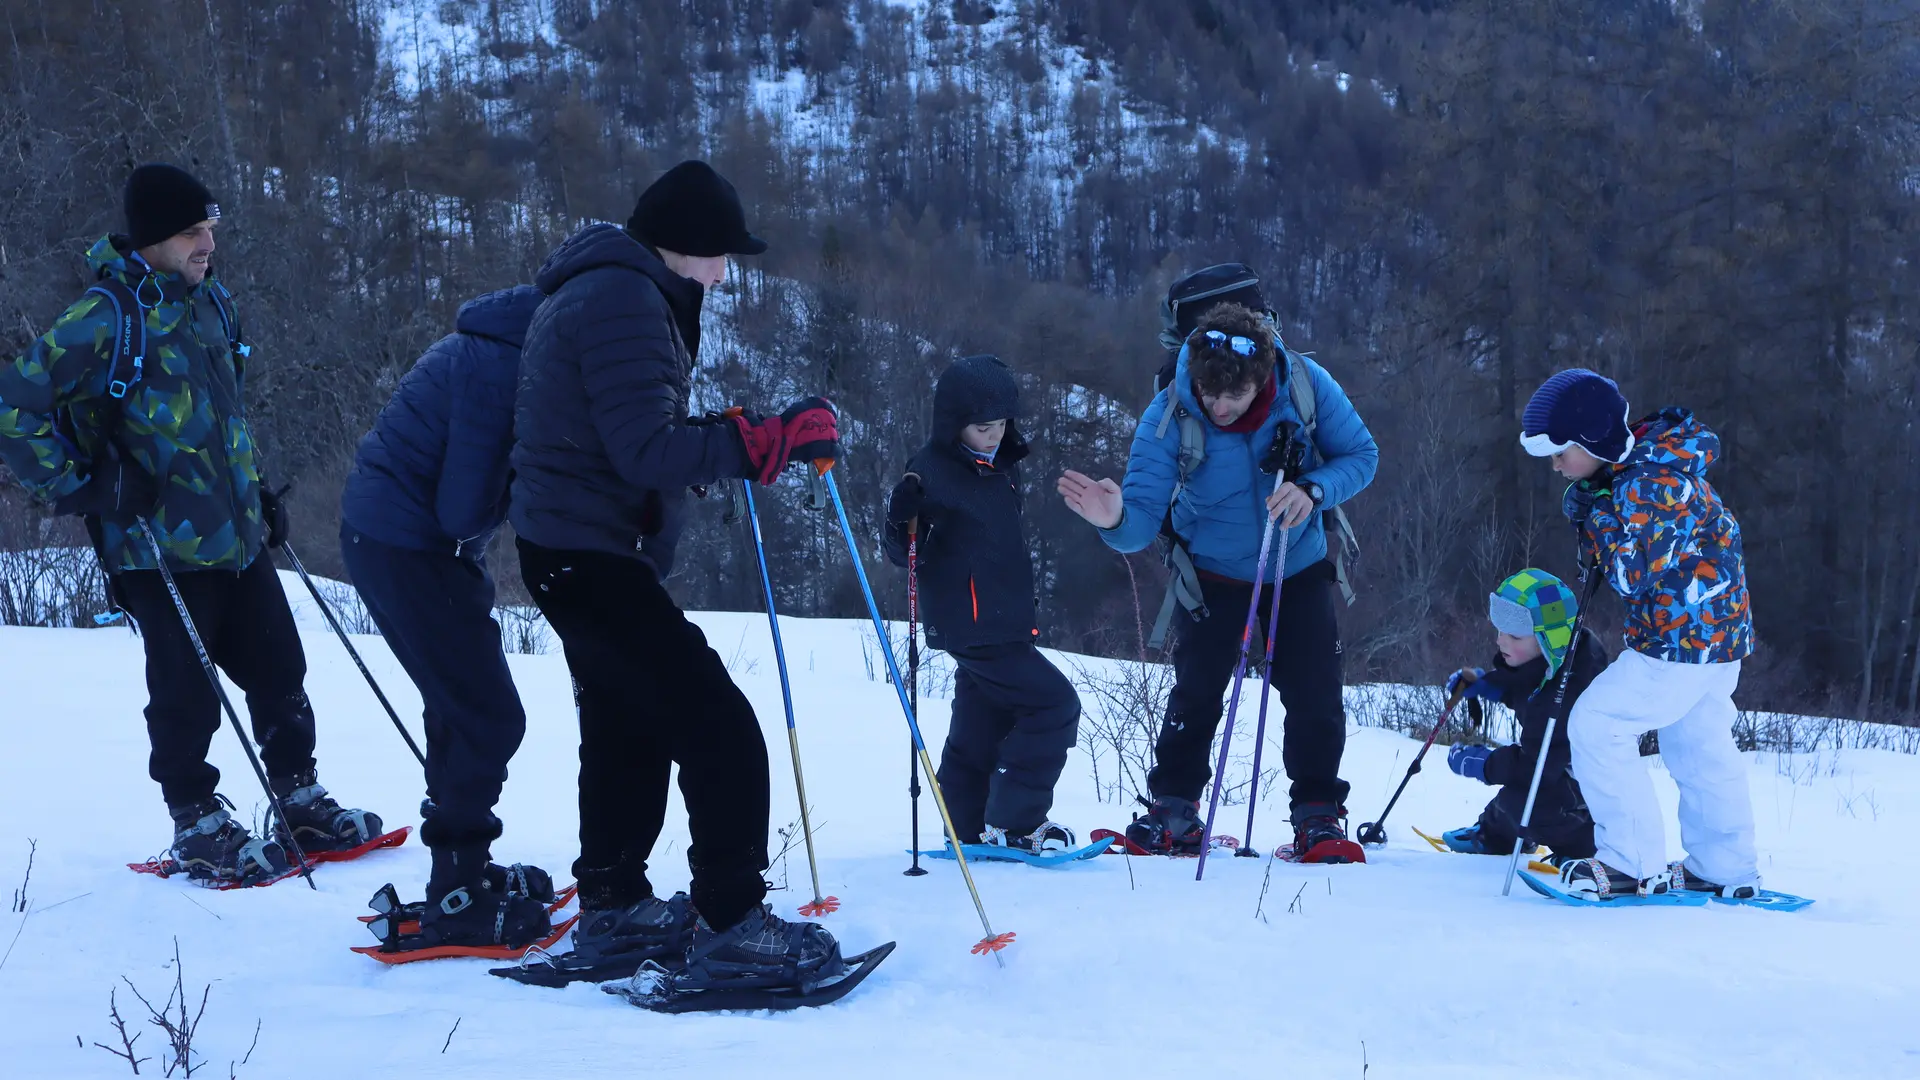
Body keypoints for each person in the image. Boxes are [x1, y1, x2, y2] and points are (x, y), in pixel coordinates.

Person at [510, 160, 844, 984]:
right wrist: (756, 442)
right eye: (718, 255)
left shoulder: (604, 289)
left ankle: (616, 909)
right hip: (585, 554)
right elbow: (645, 450)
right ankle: (733, 922)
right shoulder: (624, 298)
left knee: (627, 727)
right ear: (680, 247)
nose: (725, 273)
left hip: (567, 549)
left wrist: (719, 438)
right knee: (717, 723)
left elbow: (626, 434)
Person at [0, 164, 381, 883]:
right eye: (191, 232)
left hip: (232, 535)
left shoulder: (213, 304)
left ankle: (298, 797)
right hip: (155, 544)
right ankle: (196, 819)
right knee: (185, 687)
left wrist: (254, 490)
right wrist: (85, 486)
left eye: (210, 228)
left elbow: (221, 416)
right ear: (151, 240)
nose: (208, 243)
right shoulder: (105, 317)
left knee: (280, 668)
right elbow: (13, 409)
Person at [1058, 285, 1379, 862]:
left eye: (1234, 394)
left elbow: (1362, 456)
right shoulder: (1170, 412)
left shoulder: (1305, 385)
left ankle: (1318, 815)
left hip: (1297, 566)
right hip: (1209, 572)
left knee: (1314, 694)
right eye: (1209, 392)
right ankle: (1174, 810)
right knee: (1197, 692)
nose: (1218, 406)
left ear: (1263, 374)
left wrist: (1315, 488)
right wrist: (1113, 520)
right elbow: (1141, 522)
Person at [340, 285, 554, 946]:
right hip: (406, 544)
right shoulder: (502, 369)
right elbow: (463, 508)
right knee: (485, 713)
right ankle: (456, 890)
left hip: (402, 540)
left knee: (460, 703)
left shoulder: (502, 347)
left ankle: (463, 868)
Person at [1520, 368, 1758, 901]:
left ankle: (1629, 861)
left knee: (1598, 724)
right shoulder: (1653, 469)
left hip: (1679, 642)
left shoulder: (1647, 483)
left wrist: (1595, 515)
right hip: (1714, 637)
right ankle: (1724, 864)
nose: (1556, 466)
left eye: (1561, 452)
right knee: (1697, 743)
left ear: (1594, 440)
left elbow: (1631, 573)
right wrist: (1598, 506)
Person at [881, 355, 1081, 853]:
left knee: (982, 717)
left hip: (1005, 619)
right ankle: (1016, 821)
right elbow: (904, 552)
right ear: (954, 425)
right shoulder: (929, 472)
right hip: (972, 623)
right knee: (1055, 705)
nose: (993, 435)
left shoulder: (1002, 467)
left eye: (1001, 425)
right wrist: (898, 517)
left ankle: (967, 824)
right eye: (982, 427)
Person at [1438, 569, 1602, 862]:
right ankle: (1495, 834)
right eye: (1500, 631)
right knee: (1523, 794)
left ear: (1548, 639)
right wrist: (1490, 685)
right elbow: (1531, 681)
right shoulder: (1566, 653)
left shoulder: (1567, 696)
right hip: (1566, 775)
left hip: (1593, 794)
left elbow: (1534, 767)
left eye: (1514, 635)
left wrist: (1484, 764)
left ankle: (1583, 849)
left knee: (1524, 797)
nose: (1501, 641)